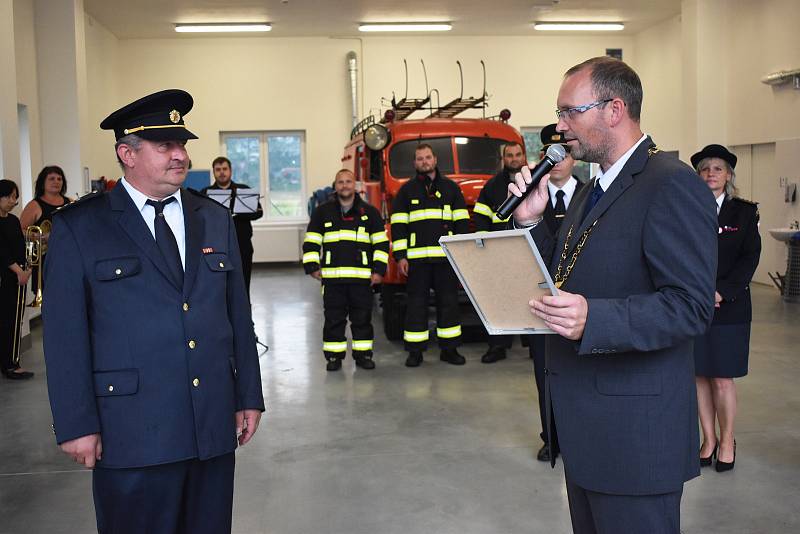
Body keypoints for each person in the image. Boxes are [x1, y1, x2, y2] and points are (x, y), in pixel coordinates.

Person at [508, 57, 717, 533]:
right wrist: (532, 223)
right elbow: (567, 277)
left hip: (634, 441)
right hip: (588, 431)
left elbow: (691, 306)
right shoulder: (592, 188)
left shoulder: (670, 184)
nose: (558, 128)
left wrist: (593, 320)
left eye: (569, 113)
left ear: (614, 110)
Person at [43, 89, 265, 534]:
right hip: (131, 431)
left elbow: (237, 314)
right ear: (127, 153)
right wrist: (75, 423)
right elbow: (64, 335)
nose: (180, 155)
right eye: (165, 146)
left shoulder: (214, 218)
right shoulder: (81, 226)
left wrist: (248, 396)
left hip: (210, 424)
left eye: (182, 144)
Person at [690, 144, 761, 473]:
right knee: (699, 376)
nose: (710, 174)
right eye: (705, 169)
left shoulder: (744, 213)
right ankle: (709, 439)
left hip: (729, 307)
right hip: (693, 304)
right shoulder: (686, 208)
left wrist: (722, 292)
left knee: (721, 378)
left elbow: (749, 259)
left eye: (717, 169)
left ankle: (728, 439)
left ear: (729, 175)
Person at [526, 124, 584, 463]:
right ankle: (551, 437)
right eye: (550, 152)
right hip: (542, 300)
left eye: (564, 152)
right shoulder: (531, 195)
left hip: (582, 300)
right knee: (545, 373)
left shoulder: (590, 194)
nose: (557, 160)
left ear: (573, 157)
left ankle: (578, 436)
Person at [391, 143, 469, 367]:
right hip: (416, 262)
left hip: (446, 260)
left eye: (427, 157)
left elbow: (462, 223)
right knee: (416, 306)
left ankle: (450, 349)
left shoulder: (451, 189)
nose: (424, 162)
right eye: (419, 159)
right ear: (415, 163)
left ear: (435, 159)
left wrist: (461, 255)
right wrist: (401, 256)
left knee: (449, 304)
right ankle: (415, 351)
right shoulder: (406, 191)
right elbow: (398, 226)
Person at [302, 169, 389, 371]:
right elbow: (312, 242)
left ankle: (363, 355)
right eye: (340, 182)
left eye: (348, 181)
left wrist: (378, 271)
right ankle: (334, 357)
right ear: (335, 185)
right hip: (333, 280)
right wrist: (313, 267)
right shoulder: (323, 212)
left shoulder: (370, 212)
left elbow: (381, 244)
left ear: (355, 185)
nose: (344, 185)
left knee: (362, 320)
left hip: (362, 279)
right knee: (334, 320)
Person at [472, 141, 527, 364]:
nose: (514, 159)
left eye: (517, 154)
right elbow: (481, 215)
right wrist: (484, 245)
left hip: (529, 249)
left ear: (524, 156)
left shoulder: (537, 179)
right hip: (500, 252)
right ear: (503, 159)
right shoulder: (492, 186)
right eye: (509, 155)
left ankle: (535, 346)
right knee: (498, 301)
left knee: (531, 300)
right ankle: (497, 346)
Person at [201, 156, 263, 295]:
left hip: (242, 245)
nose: (222, 172)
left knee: (243, 281)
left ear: (230, 171)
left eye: (224, 169)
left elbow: (259, 213)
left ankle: (245, 315)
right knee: (219, 284)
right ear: (214, 172)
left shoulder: (243, 190)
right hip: (216, 247)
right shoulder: (205, 193)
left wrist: (238, 211)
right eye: (218, 169)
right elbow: (200, 219)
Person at [18, 165, 71, 298]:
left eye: (60, 179)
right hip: (45, 259)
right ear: (43, 183)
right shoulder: (34, 205)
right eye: (51, 178)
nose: (56, 182)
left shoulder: (69, 202)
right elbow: (20, 230)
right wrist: (40, 236)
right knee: (49, 299)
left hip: (67, 257)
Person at [0, 180, 33, 379]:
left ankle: (12, 361)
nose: (14, 201)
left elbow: (20, 247)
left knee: (15, 320)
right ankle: (9, 365)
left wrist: (27, 268)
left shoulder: (12, 220)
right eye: (10, 196)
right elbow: (1, 252)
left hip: (17, 276)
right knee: (5, 321)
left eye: (15, 197)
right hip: (5, 277)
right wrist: (18, 271)